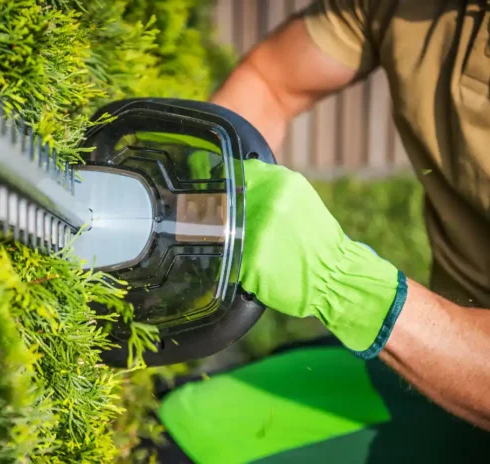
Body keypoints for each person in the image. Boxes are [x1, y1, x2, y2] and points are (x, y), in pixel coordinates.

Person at [152, 1, 490, 462]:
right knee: (174, 424)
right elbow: (273, 80)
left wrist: (346, 285)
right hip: (430, 347)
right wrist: (209, 196)